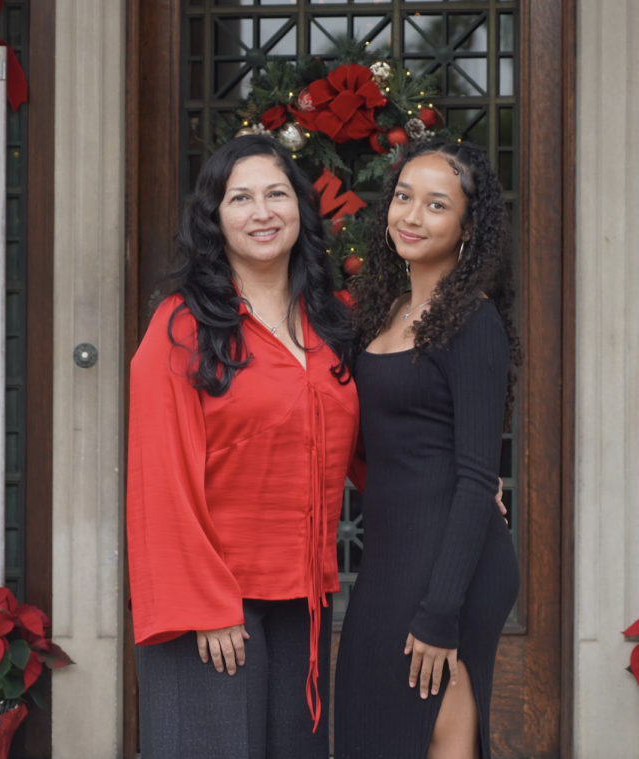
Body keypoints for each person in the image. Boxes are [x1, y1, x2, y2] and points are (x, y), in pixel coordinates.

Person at [125, 134, 359, 758]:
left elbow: (358, 440)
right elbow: (159, 479)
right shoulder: (182, 326)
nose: (262, 212)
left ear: (300, 209)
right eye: (241, 198)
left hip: (302, 596)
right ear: (216, 219)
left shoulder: (331, 321)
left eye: (277, 194)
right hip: (210, 603)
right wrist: (206, 604)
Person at [334, 139, 523, 759]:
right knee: (371, 728)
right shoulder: (384, 312)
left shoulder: (471, 320)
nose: (410, 216)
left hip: (450, 567)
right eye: (403, 197)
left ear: (468, 228)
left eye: (436, 205)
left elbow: (477, 479)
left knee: (431, 732)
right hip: (391, 556)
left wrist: (441, 611)